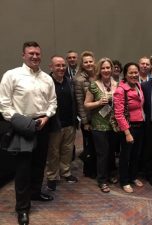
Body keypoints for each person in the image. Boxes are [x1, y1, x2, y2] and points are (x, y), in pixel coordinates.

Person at [0, 41, 57, 225]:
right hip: (22, 126)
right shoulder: (12, 75)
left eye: (38, 54)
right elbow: (4, 105)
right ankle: (23, 208)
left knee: (39, 164)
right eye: (31, 53)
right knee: (23, 169)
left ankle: (35, 193)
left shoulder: (47, 79)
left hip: (43, 124)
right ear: (23, 55)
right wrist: (22, 122)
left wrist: (46, 118)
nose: (35, 56)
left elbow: (52, 103)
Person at [84, 57, 118, 193]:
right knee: (102, 153)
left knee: (111, 152)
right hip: (99, 125)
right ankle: (102, 180)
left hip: (114, 125)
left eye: (108, 67)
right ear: (99, 70)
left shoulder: (117, 84)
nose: (106, 70)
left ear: (112, 69)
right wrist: (98, 103)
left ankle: (110, 174)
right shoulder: (93, 85)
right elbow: (86, 105)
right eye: (103, 68)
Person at [46, 56, 78, 192]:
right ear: (51, 67)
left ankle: (65, 172)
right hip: (55, 124)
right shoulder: (47, 82)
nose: (61, 68)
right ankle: (52, 176)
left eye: (63, 65)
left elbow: (74, 101)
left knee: (67, 150)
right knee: (53, 152)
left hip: (69, 123)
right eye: (57, 65)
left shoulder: (69, 81)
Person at [113, 62, 145, 193]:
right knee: (125, 156)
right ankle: (124, 181)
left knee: (136, 154)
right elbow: (119, 114)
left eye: (136, 72)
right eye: (130, 72)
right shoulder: (121, 90)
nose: (134, 75)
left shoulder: (138, 85)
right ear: (125, 75)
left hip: (140, 125)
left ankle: (132, 177)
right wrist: (127, 133)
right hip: (128, 127)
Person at [73, 51, 97, 178]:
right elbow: (80, 103)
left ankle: (98, 168)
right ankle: (89, 171)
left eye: (90, 61)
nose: (88, 64)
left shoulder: (97, 75)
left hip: (99, 117)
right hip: (87, 118)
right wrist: (85, 122)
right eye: (86, 62)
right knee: (89, 146)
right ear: (82, 64)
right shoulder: (79, 80)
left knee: (98, 145)